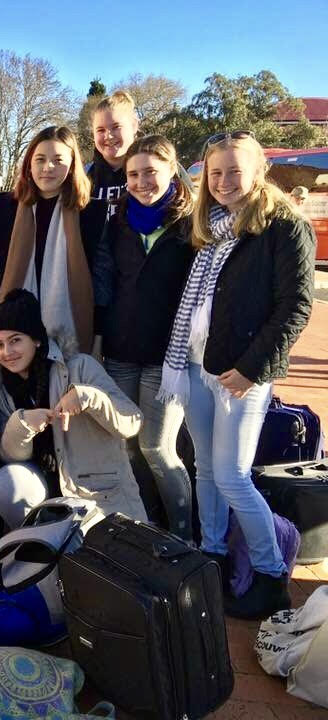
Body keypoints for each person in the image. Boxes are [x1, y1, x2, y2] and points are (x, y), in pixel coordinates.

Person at [158, 130, 315, 619]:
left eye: (234, 171)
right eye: (215, 172)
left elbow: (295, 308)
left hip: (242, 373)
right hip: (198, 365)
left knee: (231, 475)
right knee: (205, 466)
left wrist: (251, 369)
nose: (223, 181)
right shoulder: (212, 228)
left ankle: (270, 575)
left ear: (257, 172)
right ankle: (214, 554)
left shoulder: (283, 227)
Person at [91, 135, 196, 539]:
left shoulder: (191, 226)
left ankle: (184, 533)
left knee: (158, 448)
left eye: (150, 172)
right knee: (127, 446)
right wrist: (100, 336)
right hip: (120, 351)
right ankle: (145, 523)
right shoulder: (115, 222)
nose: (140, 182)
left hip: (165, 357)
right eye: (133, 174)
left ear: (171, 170)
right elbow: (103, 280)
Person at [0, 290, 148, 529]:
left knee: (101, 561)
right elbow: (11, 457)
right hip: (44, 486)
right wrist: (21, 424)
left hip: (95, 492)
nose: (7, 352)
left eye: (15, 340)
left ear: (36, 340)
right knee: (4, 483)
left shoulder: (80, 367)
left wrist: (87, 397)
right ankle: (36, 545)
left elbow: (133, 422)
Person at [0, 126, 93, 358]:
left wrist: (98, 338)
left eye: (58, 160)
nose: (48, 167)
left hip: (71, 340)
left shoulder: (91, 212)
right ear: (29, 164)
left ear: (73, 164)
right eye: (40, 159)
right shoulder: (1, 208)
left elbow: (101, 279)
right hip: (12, 334)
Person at [82, 91, 140, 252]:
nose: (108, 136)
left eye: (116, 127)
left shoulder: (158, 170)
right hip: (95, 270)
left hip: (140, 270)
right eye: (100, 130)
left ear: (134, 126)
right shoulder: (84, 176)